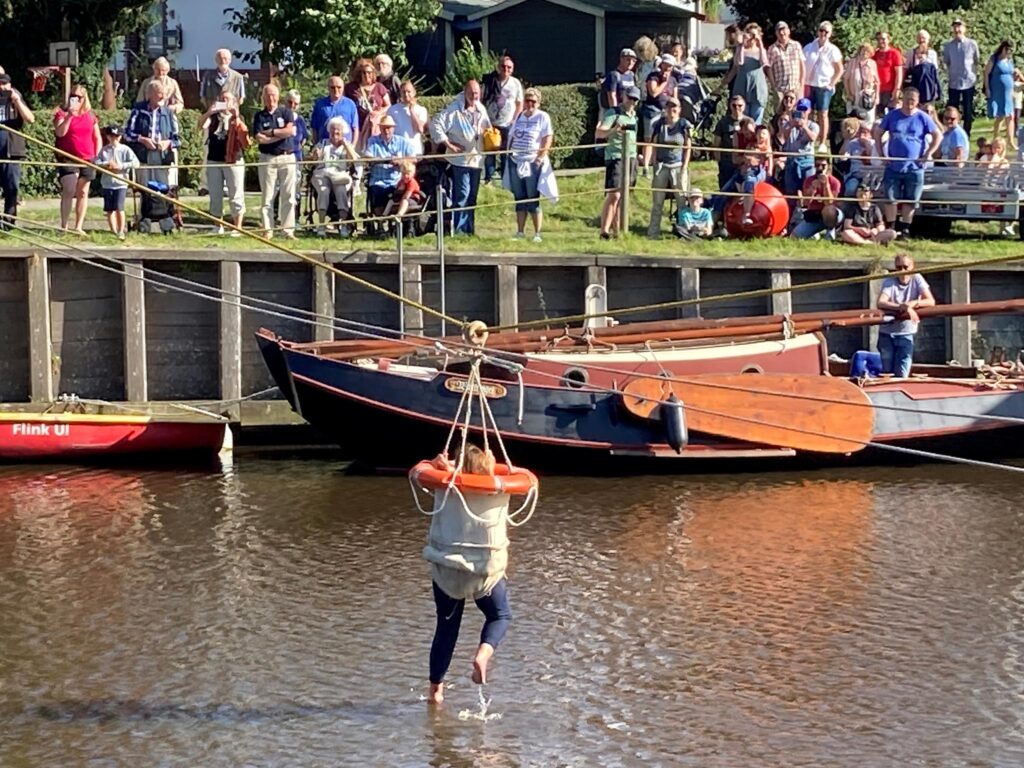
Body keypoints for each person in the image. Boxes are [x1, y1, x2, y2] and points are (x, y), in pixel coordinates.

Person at [424, 443, 511, 705]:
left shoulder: (446, 484)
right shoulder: (495, 488)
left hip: (448, 569)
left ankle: (436, 691)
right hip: (485, 570)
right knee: (500, 615)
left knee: (447, 628)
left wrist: (437, 462)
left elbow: (423, 470)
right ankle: (483, 654)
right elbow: (515, 475)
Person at [873, 87, 942, 239]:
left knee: (910, 200)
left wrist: (927, 154)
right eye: (907, 98)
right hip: (893, 165)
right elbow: (878, 132)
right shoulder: (892, 116)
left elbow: (938, 135)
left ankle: (905, 229)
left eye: (913, 100)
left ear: (917, 102)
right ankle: (891, 228)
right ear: (902, 99)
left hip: (915, 167)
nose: (909, 102)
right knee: (890, 198)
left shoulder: (923, 117)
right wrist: (881, 154)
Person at [430, 80, 491, 235]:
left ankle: (470, 230)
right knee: (462, 194)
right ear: (465, 92)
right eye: (471, 93)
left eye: (477, 93)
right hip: (461, 160)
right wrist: (448, 143)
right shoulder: (454, 109)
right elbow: (436, 124)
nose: (474, 96)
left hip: (477, 159)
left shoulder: (481, 108)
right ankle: (459, 231)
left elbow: (487, 129)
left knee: (472, 196)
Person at [876, 253, 935, 377]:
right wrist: (901, 307)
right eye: (898, 267)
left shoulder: (917, 278)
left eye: (905, 267)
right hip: (887, 333)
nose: (902, 271)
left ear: (912, 266)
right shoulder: (890, 280)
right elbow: (881, 302)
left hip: (906, 333)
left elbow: (930, 301)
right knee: (886, 372)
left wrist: (913, 304)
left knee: (903, 373)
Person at [251, 84, 298, 239]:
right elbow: (260, 139)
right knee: (267, 196)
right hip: (268, 159)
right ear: (263, 97)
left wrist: (271, 132)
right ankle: (267, 230)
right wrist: (280, 135)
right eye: (267, 95)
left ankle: (288, 230)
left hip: (287, 157)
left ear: (278, 96)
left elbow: (290, 131)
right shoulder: (259, 116)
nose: (271, 98)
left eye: (273, 95)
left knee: (289, 196)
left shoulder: (286, 112)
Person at [506, 87, 553, 242]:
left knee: (533, 197)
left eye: (533, 101)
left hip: (533, 160)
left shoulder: (542, 117)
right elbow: (512, 136)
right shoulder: (519, 116)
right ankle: (520, 231)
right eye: (527, 100)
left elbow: (547, 137)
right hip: (516, 159)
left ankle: (537, 233)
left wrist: (540, 157)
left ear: (538, 103)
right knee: (519, 197)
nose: (530, 104)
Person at [53, 84, 101, 234]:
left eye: (78, 97)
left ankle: (78, 226)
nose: (74, 99)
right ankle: (64, 226)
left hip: (87, 158)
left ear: (84, 98)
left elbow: (97, 137)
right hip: (68, 157)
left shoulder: (90, 115)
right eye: (72, 96)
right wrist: (69, 117)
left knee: (83, 192)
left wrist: (97, 156)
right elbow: (60, 133)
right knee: (69, 188)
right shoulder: (61, 113)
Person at [199, 91, 248, 235]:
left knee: (235, 192)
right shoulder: (213, 117)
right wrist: (209, 112)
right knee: (215, 194)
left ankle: (237, 226)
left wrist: (236, 115)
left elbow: (244, 136)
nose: (225, 102)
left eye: (228, 100)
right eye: (222, 99)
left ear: (233, 102)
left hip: (233, 160)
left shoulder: (238, 117)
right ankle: (217, 225)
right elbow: (200, 125)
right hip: (214, 159)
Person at [595, 85, 640, 239]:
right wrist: (614, 130)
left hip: (632, 158)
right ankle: (604, 231)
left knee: (624, 196)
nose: (632, 102)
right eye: (630, 98)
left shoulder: (635, 116)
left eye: (635, 99)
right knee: (614, 195)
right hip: (615, 157)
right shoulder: (613, 113)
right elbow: (599, 132)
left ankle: (617, 231)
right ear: (623, 96)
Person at [646, 96, 692, 239]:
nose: (671, 110)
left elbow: (688, 147)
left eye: (675, 107)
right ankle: (653, 232)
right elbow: (653, 144)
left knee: (682, 201)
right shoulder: (659, 124)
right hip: (662, 165)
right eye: (669, 107)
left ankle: (683, 232)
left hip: (678, 166)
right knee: (657, 201)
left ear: (679, 109)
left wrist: (684, 168)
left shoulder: (684, 124)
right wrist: (653, 164)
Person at [124, 80, 181, 189]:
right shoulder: (138, 110)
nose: (163, 97)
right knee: (145, 189)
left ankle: (163, 206)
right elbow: (127, 133)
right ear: (150, 94)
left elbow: (177, 139)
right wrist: (142, 139)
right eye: (159, 93)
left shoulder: (168, 113)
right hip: (143, 155)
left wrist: (168, 143)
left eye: (165, 94)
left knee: (164, 188)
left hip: (163, 156)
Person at [310, 116, 358, 237]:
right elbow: (312, 160)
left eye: (338, 132)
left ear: (342, 133)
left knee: (341, 191)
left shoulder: (346, 144)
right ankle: (321, 226)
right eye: (332, 131)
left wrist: (346, 146)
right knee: (323, 191)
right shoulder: (323, 143)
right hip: (323, 173)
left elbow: (354, 160)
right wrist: (316, 155)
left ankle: (342, 225)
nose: (335, 135)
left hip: (339, 175)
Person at [365, 114, 413, 232]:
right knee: (378, 192)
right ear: (380, 128)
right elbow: (367, 157)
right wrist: (386, 160)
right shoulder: (373, 141)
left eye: (389, 127)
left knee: (403, 193)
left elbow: (414, 158)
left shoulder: (402, 142)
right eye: (384, 127)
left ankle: (400, 223)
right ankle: (381, 224)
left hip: (397, 180)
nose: (386, 130)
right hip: (378, 179)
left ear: (394, 128)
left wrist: (401, 161)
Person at [0, 72, 34, 230]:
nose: (2, 88)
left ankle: (8, 224)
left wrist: (17, 101)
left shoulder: (15, 97)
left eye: (4, 84)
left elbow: (30, 119)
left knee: (11, 188)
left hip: (11, 151)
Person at [481, 55, 523, 183]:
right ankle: (489, 178)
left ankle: (505, 178)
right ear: (499, 67)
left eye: (509, 67)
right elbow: (482, 99)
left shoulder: (515, 83)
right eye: (503, 66)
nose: (506, 69)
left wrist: (514, 119)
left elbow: (519, 103)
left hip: (507, 123)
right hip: (490, 123)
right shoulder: (490, 81)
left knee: (506, 152)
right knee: (490, 151)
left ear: (512, 69)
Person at [93, 125, 139, 240]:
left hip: (121, 183)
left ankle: (121, 230)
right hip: (107, 183)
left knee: (119, 208)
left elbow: (135, 163)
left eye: (116, 136)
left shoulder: (125, 149)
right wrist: (105, 164)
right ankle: (113, 230)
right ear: (108, 137)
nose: (114, 139)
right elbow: (96, 162)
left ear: (120, 137)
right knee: (109, 209)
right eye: (111, 136)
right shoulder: (104, 150)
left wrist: (121, 166)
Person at [803, 21, 843, 152]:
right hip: (808, 84)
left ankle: (822, 143)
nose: (823, 34)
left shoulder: (833, 50)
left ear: (830, 34)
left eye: (826, 32)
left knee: (823, 113)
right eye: (821, 30)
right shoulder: (809, 47)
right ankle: (806, 140)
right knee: (806, 112)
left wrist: (831, 84)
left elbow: (839, 70)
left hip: (823, 85)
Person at [724, 23, 769, 125]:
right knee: (742, 120)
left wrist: (760, 43)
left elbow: (764, 63)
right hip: (742, 87)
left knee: (756, 120)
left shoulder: (761, 50)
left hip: (757, 89)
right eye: (750, 34)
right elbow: (739, 62)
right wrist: (742, 45)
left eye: (754, 35)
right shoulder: (741, 49)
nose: (752, 38)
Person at [942, 19, 981, 136]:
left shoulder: (972, 44)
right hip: (954, 82)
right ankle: (952, 132)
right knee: (952, 109)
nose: (957, 29)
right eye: (955, 27)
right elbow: (947, 62)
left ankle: (966, 133)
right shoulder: (948, 46)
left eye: (959, 27)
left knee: (967, 110)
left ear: (964, 28)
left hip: (968, 82)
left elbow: (976, 60)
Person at [641, 55, 678, 172]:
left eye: (670, 66)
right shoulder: (653, 77)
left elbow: (674, 98)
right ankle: (646, 166)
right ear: (661, 65)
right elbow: (653, 93)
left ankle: (661, 162)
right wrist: (664, 83)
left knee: (664, 138)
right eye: (666, 64)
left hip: (666, 111)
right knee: (649, 138)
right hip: (652, 110)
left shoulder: (674, 80)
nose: (667, 68)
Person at [779, 97, 820, 204]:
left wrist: (804, 127)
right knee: (790, 192)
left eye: (805, 109)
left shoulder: (813, 125)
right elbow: (784, 137)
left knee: (809, 190)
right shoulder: (789, 124)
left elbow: (813, 138)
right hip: (791, 159)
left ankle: (807, 212)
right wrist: (792, 125)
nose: (802, 112)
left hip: (807, 160)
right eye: (800, 109)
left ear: (809, 110)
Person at [791, 156, 842, 239]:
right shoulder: (809, 180)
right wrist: (812, 189)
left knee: (828, 210)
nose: (820, 168)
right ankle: (815, 233)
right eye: (817, 165)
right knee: (795, 236)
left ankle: (830, 231)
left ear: (828, 166)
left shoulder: (834, 182)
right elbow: (806, 203)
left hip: (832, 216)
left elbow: (829, 203)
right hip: (815, 215)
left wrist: (826, 186)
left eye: (823, 165)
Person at [346, 58, 391, 149]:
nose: (367, 75)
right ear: (360, 73)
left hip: (375, 127)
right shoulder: (351, 88)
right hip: (358, 127)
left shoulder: (379, 87)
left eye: (369, 72)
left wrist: (378, 113)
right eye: (364, 72)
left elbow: (388, 105)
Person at [984, 40, 1018, 148]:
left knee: (1010, 116)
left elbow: (1011, 74)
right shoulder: (994, 59)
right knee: (1001, 116)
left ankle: (1011, 141)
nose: (1010, 53)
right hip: (997, 91)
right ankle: (996, 138)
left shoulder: (1009, 60)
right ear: (1004, 49)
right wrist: (987, 88)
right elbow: (986, 73)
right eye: (1009, 50)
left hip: (1008, 92)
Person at [311, 75, 360, 144]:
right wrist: (316, 145)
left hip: (345, 146)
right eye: (332, 87)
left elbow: (355, 128)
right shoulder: (320, 105)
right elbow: (314, 128)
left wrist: (353, 146)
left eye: (339, 87)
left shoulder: (350, 104)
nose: (336, 90)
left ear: (343, 88)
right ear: (328, 88)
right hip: (325, 146)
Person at [767, 21, 805, 107]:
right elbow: (768, 68)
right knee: (781, 115)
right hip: (780, 88)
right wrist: (773, 86)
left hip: (796, 87)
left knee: (797, 114)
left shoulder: (796, 45)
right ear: (776, 33)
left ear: (788, 31)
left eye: (783, 30)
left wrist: (801, 85)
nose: (781, 33)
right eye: (779, 30)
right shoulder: (772, 48)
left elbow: (802, 65)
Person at [387, 81, 429, 156]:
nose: (406, 94)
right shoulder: (392, 110)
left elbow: (420, 129)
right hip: (397, 151)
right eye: (403, 92)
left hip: (415, 150)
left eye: (409, 91)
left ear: (414, 92)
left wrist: (411, 110)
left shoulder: (421, 110)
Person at [843, 43, 880, 125]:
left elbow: (877, 82)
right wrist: (848, 94)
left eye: (867, 52)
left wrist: (877, 97)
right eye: (863, 51)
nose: (865, 53)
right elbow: (846, 79)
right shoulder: (852, 62)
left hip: (868, 97)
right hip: (854, 96)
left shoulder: (872, 64)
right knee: (853, 120)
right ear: (859, 51)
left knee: (869, 120)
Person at [842, 121, 878, 197]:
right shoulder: (852, 143)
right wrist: (845, 155)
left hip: (870, 176)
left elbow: (870, 158)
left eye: (865, 132)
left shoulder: (874, 144)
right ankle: (849, 207)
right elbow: (845, 154)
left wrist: (866, 143)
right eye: (860, 132)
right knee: (850, 189)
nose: (862, 135)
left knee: (871, 192)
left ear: (870, 134)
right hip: (855, 174)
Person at [905, 30, 941, 107]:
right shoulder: (911, 53)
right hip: (915, 85)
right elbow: (907, 69)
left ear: (928, 40)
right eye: (919, 38)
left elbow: (935, 71)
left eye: (924, 38)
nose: (922, 40)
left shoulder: (932, 53)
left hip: (929, 87)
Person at [873, 31, 904, 115]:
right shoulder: (875, 54)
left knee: (891, 114)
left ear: (888, 40)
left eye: (883, 39)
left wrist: (896, 89)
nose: (881, 41)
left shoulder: (894, 53)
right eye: (878, 39)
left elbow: (899, 73)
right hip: (877, 90)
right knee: (879, 115)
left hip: (890, 90)